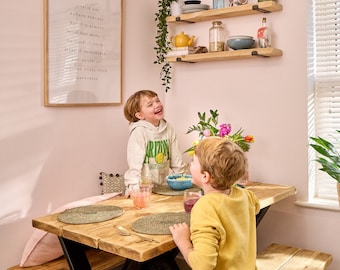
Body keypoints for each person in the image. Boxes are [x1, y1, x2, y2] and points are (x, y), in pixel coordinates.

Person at [169, 136, 260, 270]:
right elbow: (255, 207)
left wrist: (183, 241)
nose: (190, 165)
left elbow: (202, 265)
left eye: (193, 161)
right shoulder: (246, 195)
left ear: (205, 176)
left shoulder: (204, 208)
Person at [123, 90, 186, 194]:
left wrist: (182, 180)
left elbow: (177, 161)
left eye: (157, 100)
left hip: (164, 188)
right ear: (140, 115)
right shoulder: (139, 132)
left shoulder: (168, 128)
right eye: (150, 104)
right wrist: (133, 186)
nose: (157, 105)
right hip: (143, 190)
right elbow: (134, 164)